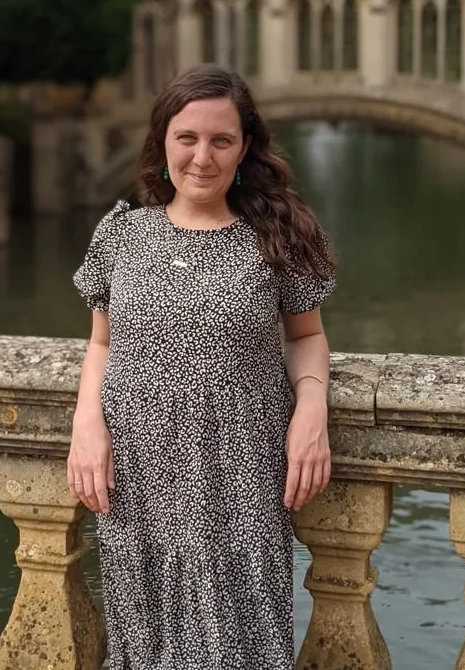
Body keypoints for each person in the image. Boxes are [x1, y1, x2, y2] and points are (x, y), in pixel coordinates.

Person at [69, 63, 336, 670]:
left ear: (245, 148)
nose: (202, 157)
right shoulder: (120, 235)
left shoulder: (280, 235)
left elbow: (307, 336)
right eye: (186, 138)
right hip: (138, 475)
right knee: (146, 645)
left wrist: (311, 408)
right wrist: (87, 424)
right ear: (163, 141)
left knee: (240, 646)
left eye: (221, 140)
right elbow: (101, 345)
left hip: (240, 476)